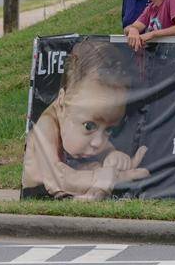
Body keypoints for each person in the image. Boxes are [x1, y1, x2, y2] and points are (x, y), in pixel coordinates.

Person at [22, 39, 149, 200]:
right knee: (94, 173)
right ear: (62, 103)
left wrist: (112, 156)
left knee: (95, 167)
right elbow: (58, 179)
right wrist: (111, 178)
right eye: (89, 126)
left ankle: (91, 197)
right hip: (39, 190)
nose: (99, 143)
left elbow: (104, 151)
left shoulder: (81, 126)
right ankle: (93, 194)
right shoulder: (46, 126)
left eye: (109, 130)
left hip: (64, 187)